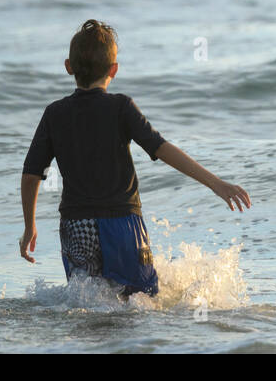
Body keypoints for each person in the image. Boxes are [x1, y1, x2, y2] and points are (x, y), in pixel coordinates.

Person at [19, 19, 250, 298]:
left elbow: (32, 173)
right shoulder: (120, 107)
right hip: (121, 223)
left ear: (69, 66)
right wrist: (216, 184)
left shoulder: (54, 113)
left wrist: (30, 224)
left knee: (87, 305)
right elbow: (161, 148)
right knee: (139, 303)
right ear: (114, 70)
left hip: (76, 225)